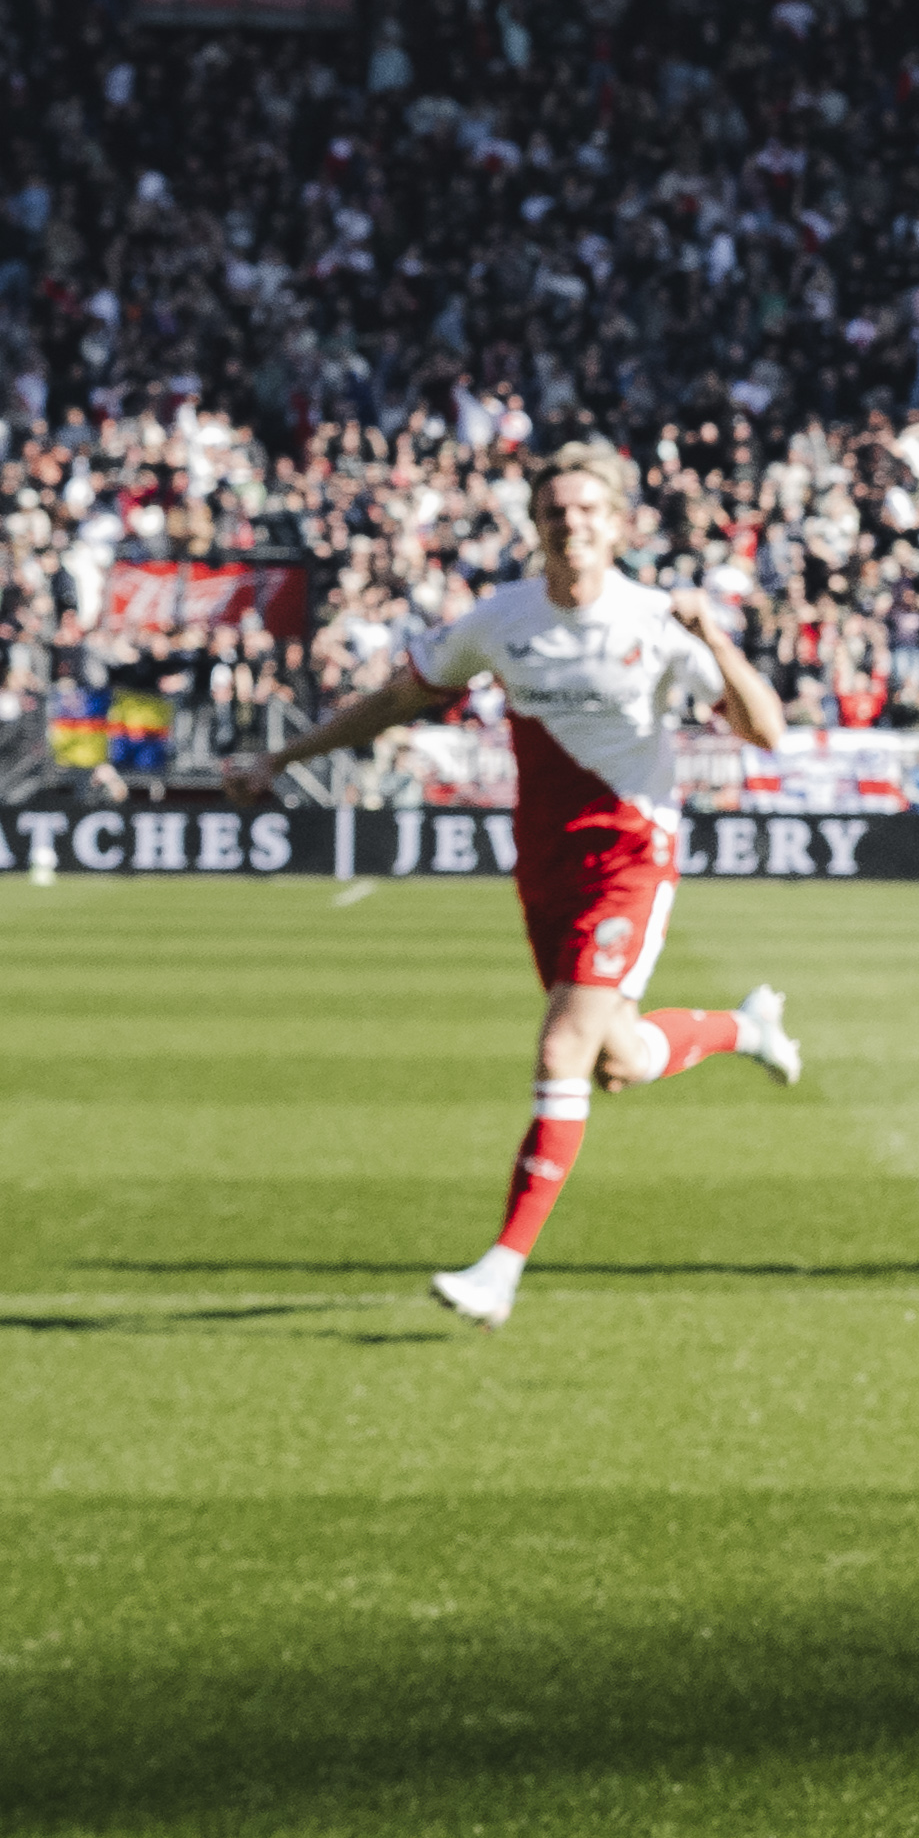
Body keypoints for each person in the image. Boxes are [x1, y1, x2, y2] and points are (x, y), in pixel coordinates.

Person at [204, 431, 803, 1327]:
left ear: (618, 525)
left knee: (562, 1046)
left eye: (589, 511)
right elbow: (399, 698)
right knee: (616, 1059)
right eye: (556, 512)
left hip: (631, 857)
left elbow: (768, 731)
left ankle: (501, 1268)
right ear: (535, 524)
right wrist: (283, 758)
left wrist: (711, 630)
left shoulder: (652, 623)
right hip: (546, 864)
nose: (572, 525)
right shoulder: (502, 619)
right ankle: (745, 1028)